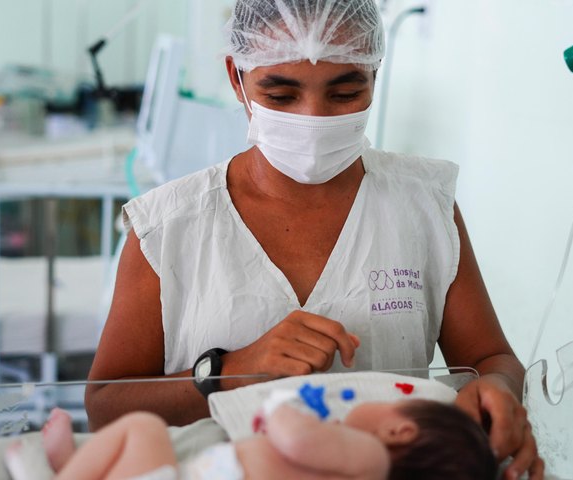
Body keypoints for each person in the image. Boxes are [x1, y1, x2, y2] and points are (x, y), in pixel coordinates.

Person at [86, 0, 543, 478]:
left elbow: (491, 359)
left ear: (375, 74)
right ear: (237, 78)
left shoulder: (424, 207)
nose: (313, 119)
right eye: (281, 95)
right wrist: (229, 372)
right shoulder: (169, 227)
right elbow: (104, 407)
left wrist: (498, 393)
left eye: (345, 92)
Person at [6, 400, 497, 480]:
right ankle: (72, 466)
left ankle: (59, 474)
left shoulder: (370, 457)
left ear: (397, 430)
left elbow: (297, 440)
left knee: (144, 428)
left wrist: (282, 408)